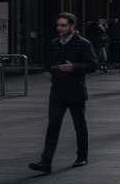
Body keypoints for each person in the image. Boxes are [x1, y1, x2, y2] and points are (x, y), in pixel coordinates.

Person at [29, 13, 98, 174]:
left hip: (75, 89)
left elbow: (93, 64)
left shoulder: (82, 44)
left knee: (79, 124)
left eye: (63, 25)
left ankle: (82, 156)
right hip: (58, 90)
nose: (60, 28)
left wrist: (74, 67)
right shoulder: (54, 43)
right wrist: (52, 69)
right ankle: (46, 161)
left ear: (72, 26)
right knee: (53, 125)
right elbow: (50, 62)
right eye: (58, 25)